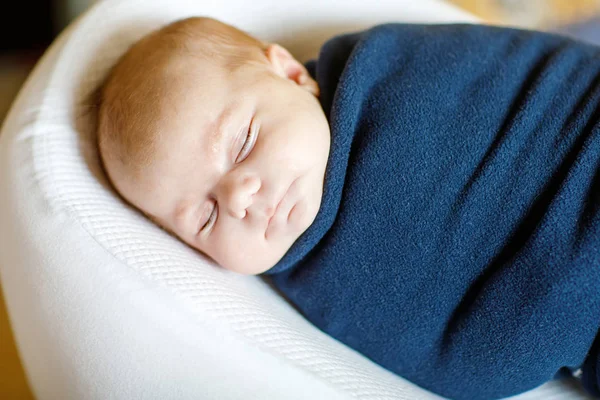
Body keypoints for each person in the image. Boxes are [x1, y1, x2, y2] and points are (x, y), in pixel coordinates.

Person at [97, 16, 600, 399]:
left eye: (244, 142)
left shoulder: (393, 77)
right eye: (204, 218)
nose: (239, 199)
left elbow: (546, 93)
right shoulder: (311, 286)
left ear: (293, 75)